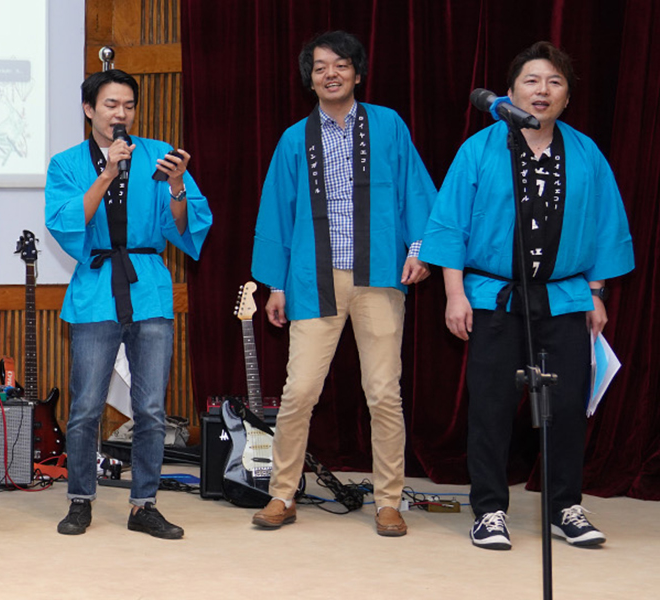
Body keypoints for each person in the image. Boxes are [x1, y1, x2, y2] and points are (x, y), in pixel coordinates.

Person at [421, 41, 632, 552]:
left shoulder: (586, 153)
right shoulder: (480, 148)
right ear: (511, 91)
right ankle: (490, 510)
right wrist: (454, 294)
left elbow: (605, 226)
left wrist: (596, 293)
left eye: (554, 82)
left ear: (566, 98)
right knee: (490, 406)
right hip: (494, 297)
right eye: (532, 81)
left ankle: (566, 507)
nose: (542, 91)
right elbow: (450, 223)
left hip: (564, 298)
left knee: (563, 404)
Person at [249, 31, 437, 537]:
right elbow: (277, 212)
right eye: (319, 68)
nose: (330, 74)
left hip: (378, 276)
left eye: (340, 65)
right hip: (314, 278)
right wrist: (277, 285)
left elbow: (416, 190)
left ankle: (388, 501)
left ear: (357, 72)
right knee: (299, 391)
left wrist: (419, 250)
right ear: (309, 80)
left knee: (383, 392)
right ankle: (282, 494)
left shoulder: (388, 125)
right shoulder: (295, 138)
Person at [44, 69, 208, 540]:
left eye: (129, 106)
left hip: (149, 285)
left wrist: (177, 187)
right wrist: (108, 172)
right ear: (89, 109)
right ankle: (80, 500)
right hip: (97, 287)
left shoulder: (159, 156)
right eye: (111, 104)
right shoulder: (67, 163)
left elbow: (184, 227)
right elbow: (66, 221)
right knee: (85, 407)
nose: (121, 114)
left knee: (152, 408)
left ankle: (145, 505)